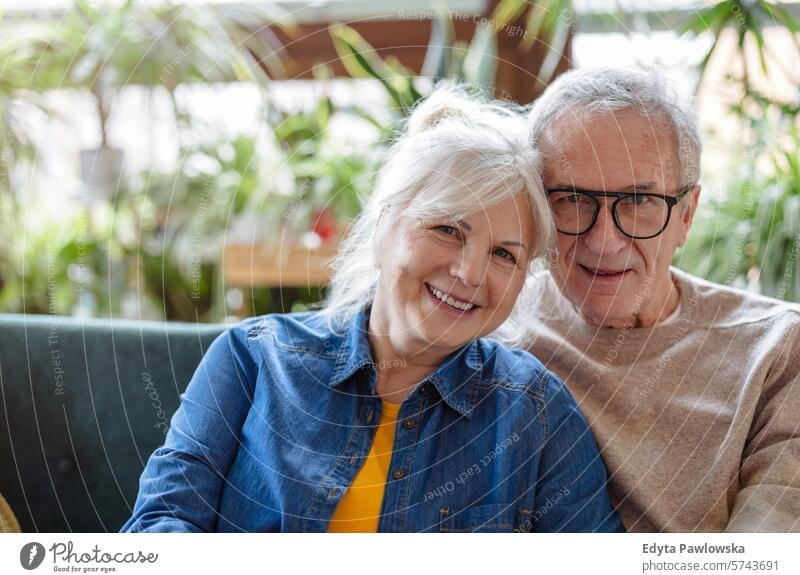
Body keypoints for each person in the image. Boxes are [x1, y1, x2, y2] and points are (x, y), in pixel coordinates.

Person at [121, 86, 622, 533]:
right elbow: (160, 525)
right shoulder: (252, 359)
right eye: (448, 229)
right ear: (385, 225)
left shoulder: (535, 412)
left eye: (503, 254)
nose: (471, 273)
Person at [524, 66, 800, 532]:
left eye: (638, 200)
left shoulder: (776, 350)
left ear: (686, 217)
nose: (604, 240)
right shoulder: (486, 335)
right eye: (572, 198)